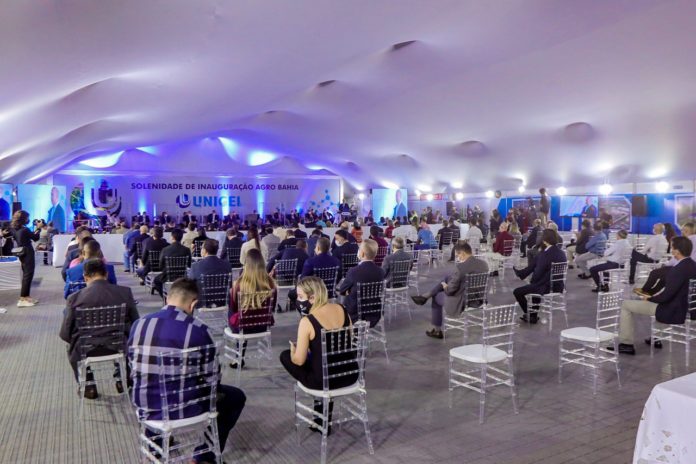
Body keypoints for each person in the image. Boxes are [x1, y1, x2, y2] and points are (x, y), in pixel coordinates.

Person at [129, 278, 246, 463]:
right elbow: (212, 380)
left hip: (145, 407)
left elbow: (132, 366)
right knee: (236, 397)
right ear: (193, 304)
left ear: (167, 298)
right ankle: (204, 456)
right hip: (187, 409)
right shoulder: (199, 330)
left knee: (151, 386)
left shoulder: (138, 324)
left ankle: (155, 447)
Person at [280, 276, 359, 433]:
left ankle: (320, 419)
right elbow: (349, 342)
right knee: (323, 362)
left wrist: (294, 351)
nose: (298, 301)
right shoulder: (342, 309)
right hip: (350, 373)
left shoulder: (307, 321)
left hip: (324, 380)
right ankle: (320, 420)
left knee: (285, 356)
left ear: (312, 298)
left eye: (300, 297)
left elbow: (299, 361)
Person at [59, 259, 139, 398]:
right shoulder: (125, 292)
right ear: (106, 274)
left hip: (86, 349)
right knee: (127, 335)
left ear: (85, 277)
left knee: (70, 346)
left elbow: (65, 333)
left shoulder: (74, 298)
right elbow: (136, 323)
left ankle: (88, 385)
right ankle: (122, 379)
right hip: (119, 346)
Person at [611, 237, 696, 355]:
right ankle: (656, 338)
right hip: (689, 309)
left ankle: (626, 344)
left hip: (674, 311)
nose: (671, 250)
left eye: (672, 248)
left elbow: (666, 297)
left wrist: (649, 298)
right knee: (659, 301)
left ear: (677, 251)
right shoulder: (692, 265)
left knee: (626, 305)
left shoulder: (677, 270)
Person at [411, 243, 488, 338]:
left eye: (458, 255)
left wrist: (445, 286)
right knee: (448, 277)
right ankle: (425, 296)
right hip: (479, 299)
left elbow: (449, 291)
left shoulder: (461, 268)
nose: (458, 258)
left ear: (463, 253)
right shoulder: (484, 264)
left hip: (463, 301)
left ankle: (437, 330)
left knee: (436, 296)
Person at [227, 248, 277, 367]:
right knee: (242, 315)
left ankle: (239, 358)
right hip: (263, 326)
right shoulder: (271, 284)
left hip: (242, 327)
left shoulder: (238, 284)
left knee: (234, 313)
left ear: (246, 265)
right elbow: (272, 307)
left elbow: (234, 309)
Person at [512, 229, 567, 324]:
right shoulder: (560, 252)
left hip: (547, 286)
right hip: (558, 285)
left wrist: (532, 282)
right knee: (536, 265)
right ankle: (533, 316)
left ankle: (530, 315)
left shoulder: (545, 254)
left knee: (518, 291)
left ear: (545, 240)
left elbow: (538, 272)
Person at [637, 222, 696, 297]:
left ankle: (644, 291)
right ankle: (651, 292)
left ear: (687, 231)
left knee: (654, 273)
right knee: (664, 275)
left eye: (683, 230)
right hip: (691, 269)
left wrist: (666, 264)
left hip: (682, 269)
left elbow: (678, 257)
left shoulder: (686, 241)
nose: (682, 232)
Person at [337, 239, 385, 326]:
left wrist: (349, 291)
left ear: (362, 253)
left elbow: (342, 290)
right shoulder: (381, 271)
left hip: (356, 314)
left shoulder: (353, 271)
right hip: (375, 312)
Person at [8, 211, 40, 307]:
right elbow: (35, 238)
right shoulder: (25, 229)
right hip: (28, 252)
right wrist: (38, 228)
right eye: (27, 217)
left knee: (26, 275)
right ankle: (22, 298)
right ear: (23, 218)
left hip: (21, 253)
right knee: (28, 275)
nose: (28, 219)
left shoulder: (14, 229)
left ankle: (26, 297)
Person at [153, 229, 192, 297]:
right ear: (181, 237)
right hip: (182, 276)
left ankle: (166, 298)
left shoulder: (165, 249)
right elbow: (189, 264)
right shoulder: (186, 250)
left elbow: (160, 266)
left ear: (172, 237)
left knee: (156, 281)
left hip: (168, 276)